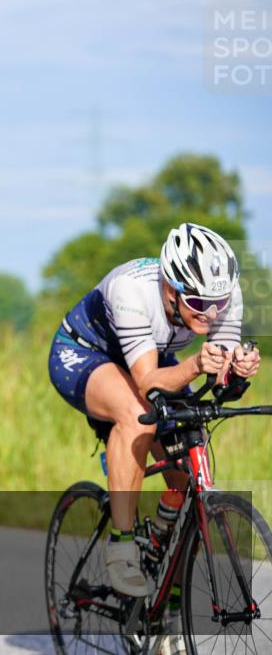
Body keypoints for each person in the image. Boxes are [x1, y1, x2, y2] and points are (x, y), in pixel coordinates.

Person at [48, 222, 261, 652]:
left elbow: (216, 380)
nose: (213, 314)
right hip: (86, 353)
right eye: (200, 303)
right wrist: (197, 365)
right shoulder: (131, 290)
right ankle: (122, 545)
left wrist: (236, 372)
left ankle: (164, 594)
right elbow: (146, 383)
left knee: (188, 467)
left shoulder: (223, 295)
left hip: (151, 355)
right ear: (171, 289)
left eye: (219, 303)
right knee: (137, 415)